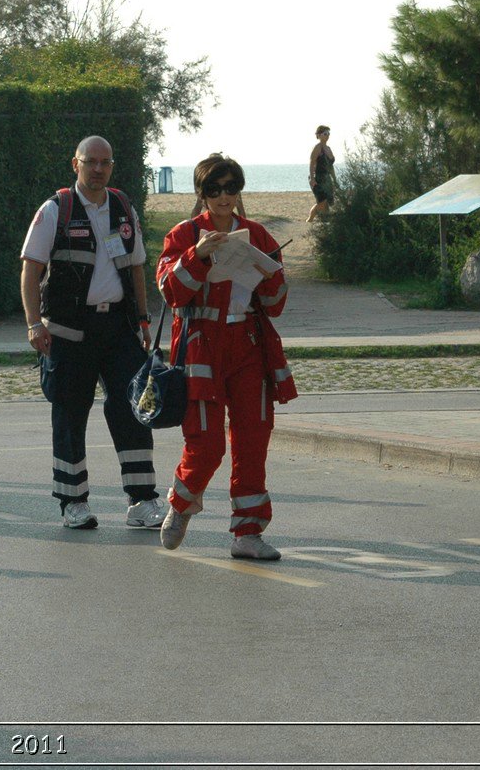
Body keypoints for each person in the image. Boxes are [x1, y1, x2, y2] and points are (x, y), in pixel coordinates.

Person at [19, 136, 167, 531]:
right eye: (90, 162)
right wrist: (34, 323)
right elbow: (30, 270)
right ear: (76, 164)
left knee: (134, 408)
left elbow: (136, 267)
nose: (98, 169)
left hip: (118, 329)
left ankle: (142, 501)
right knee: (69, 412)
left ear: (112, 166)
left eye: (105, 162)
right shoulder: (56, 210)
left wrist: (142, 319)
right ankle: (73, 502)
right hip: (67, 331)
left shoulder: (122, 207)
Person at [156, 154, 296, 561]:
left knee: (254, 438)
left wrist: (271, 274)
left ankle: (247, 533)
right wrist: (196, 257)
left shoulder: (257, 235)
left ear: (239, 191)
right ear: (201, 193)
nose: (223, 197)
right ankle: (181, 506)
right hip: (201, 346)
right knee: (207, 444)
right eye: (214, 189)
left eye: (231, 188)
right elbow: (169, 291)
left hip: (248, 344)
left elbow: (274, 305)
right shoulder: (183, 234)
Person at [307, 125, 335, 223]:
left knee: (327, 202)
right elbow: (312, 162)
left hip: (327, 178)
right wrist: (312, 179)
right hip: (318, 178)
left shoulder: (329, 149)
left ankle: (324, 221)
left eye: (328, 133)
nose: (327, 136)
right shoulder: (317, 148)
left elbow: (331, 166)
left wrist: (334, 179)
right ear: (319, 135)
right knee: (322, 202)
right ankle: (310, 220)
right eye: (325, 133)